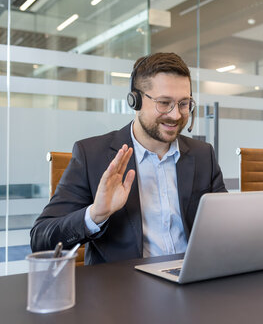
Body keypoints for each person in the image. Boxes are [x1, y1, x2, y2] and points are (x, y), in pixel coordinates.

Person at [31, 53, 226, 264]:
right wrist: (95, 215)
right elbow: (41, 238)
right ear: (135, 101)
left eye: (183, 103)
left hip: (192, 277)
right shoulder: (92, 154)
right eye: (164, 103)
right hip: (125, 286)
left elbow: (227, 223)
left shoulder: (203, 154)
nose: (176, 115)